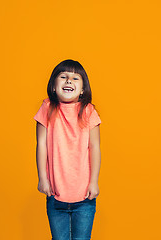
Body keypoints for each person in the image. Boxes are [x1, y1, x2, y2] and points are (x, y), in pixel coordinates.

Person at [34, 59, 102, 240]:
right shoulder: (47, 108)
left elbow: (95, 147)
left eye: (75, 78)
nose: (69, 81)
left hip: (84, 196)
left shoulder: (88, 111)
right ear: (54, 87)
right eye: (63, 77)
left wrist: (94, 181)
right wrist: (43, 178)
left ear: (82, 90)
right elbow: (41, 145)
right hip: (55, 194)